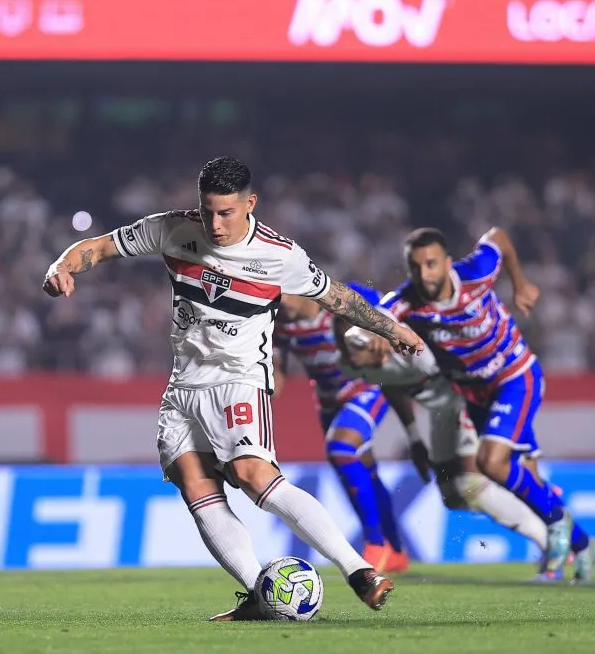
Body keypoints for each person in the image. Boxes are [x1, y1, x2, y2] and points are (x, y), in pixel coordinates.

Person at [42, 157, 424, 619]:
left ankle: (359, 570)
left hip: (239, 378)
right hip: (183, 383)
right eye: (208, 212)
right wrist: (62, 266)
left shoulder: (279, 255)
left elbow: (339, 297)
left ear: (250, 203)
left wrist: (392, 329)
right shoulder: (172, 229)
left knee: (252, 475)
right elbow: (99, 247)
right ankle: (259, 594)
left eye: (226, 212)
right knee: (193, 482)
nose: (216, 224)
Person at [380, 227, 595, 582]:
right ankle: (583, 544)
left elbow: (497, 237)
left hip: (515, 376)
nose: (425, 274)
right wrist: (364, 337)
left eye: (432, 264)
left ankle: (558, 524)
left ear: (447, 263)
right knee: (525, 476)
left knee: (490, 462)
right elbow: (376, 317)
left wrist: (520, 283)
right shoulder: (407, 301)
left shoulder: (476, 272)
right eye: (416, 266)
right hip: (475, 395)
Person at [334, 294, 550, 568]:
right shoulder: (351, 365)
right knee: (453, 495)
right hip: (442, 412)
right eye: (346, 340)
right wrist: (414, 437)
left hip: (464, 398)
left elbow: (458, 361)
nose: (353, 348)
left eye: (357, 337)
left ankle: (548, 536)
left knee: (471, 484)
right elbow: (390, 384)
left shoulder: (409, 345)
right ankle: (541, 499)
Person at [273, 290, 410, 573]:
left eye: (280, 293)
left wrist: (388, 329)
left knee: (341, 449)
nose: (276, 302)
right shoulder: (280, 324)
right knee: (366, 472)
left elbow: (381, 303)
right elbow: (278, 373)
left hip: (366, 388)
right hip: (329, 401)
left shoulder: (335, 301)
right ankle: (395, 550)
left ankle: (374, 545)